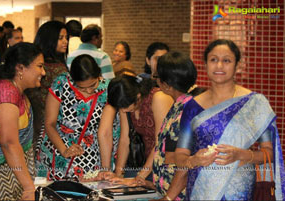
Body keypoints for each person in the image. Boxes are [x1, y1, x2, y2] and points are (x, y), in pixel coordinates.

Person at [175, 39, 285, 200]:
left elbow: (269, 152)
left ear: (237, 65)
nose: (219, 66)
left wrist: (242, 154)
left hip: (238, 190)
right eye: (213, 60)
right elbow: (179, 157)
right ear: (205, 64)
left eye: (226, 60)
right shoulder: (192, 106)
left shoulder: (255, 103)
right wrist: (194, 160)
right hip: (200, 189)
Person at [110, 51, 201, 200]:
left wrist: (168, 197)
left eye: (157, 77)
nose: (156, 82)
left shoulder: (183, 111)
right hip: (165, 188)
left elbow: (183, 166)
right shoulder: (178, 105)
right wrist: (146, 182)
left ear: (166, 84)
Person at [35, 54, 120, 180]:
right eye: (82, 88)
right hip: (57, 152)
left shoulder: (108, 89)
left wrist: (105, 168)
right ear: (73, 80)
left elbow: (106, 133)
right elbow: (49, 123)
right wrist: (64, 150)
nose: (89, 91)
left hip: (91, 158)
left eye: (93, 85)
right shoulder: (62, 83)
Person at [0, 42, 45, 200]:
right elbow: (8, 142)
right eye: (39, 66)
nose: (43, 72)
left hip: (11, 175)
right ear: (20, 68)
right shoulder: (4, 91)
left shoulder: (16, 91)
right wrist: (28, 186)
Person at [99, 74, 173, 178]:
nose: (123, 111)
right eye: (120, 108)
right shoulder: (126, 103)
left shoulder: (158, 98)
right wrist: (118, 174)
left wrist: (140, 177)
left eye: (125, 107)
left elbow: (161, 141)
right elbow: (125, 139)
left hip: (169, 163)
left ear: (138, 97)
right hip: (148, 161)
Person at [26, 20, 68, 150]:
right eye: (60, 38)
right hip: (51, 126)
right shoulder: (58, 69)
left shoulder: (34, 63)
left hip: (34, 123)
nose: (65, 41)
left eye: (66, 38)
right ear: (49, 39)